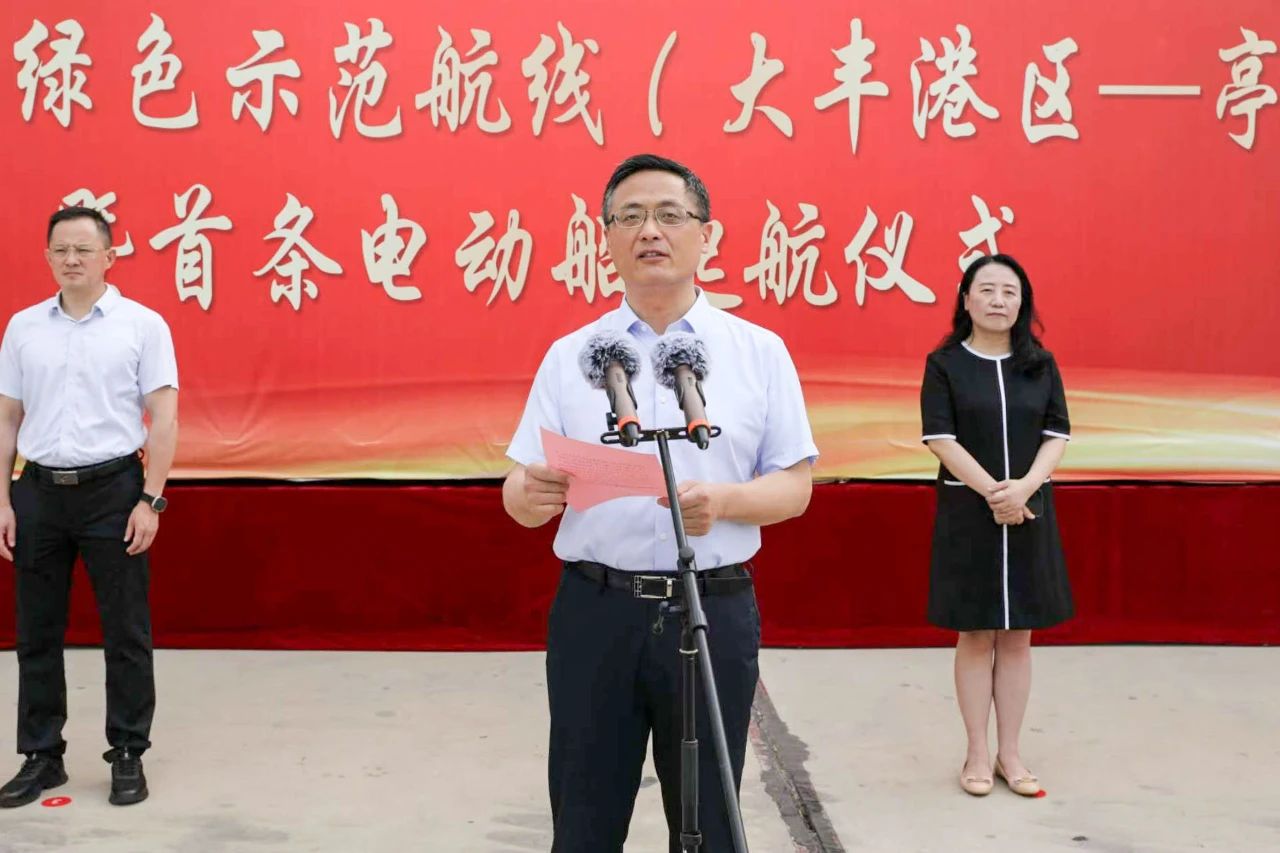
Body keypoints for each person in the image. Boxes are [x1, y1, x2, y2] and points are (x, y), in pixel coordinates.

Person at [503, 154, 817, 851]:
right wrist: (530, 492)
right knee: (584, 816)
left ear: (706, 234)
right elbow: (518, 494)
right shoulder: (571, 355)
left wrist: (726, 501)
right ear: (606, 238)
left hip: (710, 608)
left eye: (670, 215)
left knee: (708, 820)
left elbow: (794, 487)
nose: (650, 231)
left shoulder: (757, 352)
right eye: (631, 217)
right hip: (596, 612)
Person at [0, 206, 178, 808]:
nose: (71, 259)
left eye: (83, 249)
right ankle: (41, 756)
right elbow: (7, 419)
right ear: (47, 257)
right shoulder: (24, 327)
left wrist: (151, 500)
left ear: (110, 255)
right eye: (60, 250)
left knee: (126, 630)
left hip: (115, 493)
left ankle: (127, 751)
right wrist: (3, 499)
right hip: (38, 493)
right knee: (36, 631)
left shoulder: (142, 325)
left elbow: (165, 418)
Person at [919, 253, 1073, 798]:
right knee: (976, 632)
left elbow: (1057, 434)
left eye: (1009, 291)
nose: (998, 300)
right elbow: (940, 438)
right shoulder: (945, 364)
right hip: (970, 513)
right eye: (986, 290)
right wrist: (994, 493)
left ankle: (1011, 753)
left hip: (1030, 511)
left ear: (1022, 303)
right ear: (966, 300)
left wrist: (1024, 488)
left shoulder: (1041, 364)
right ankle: (977, 754)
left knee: (1018, 636)